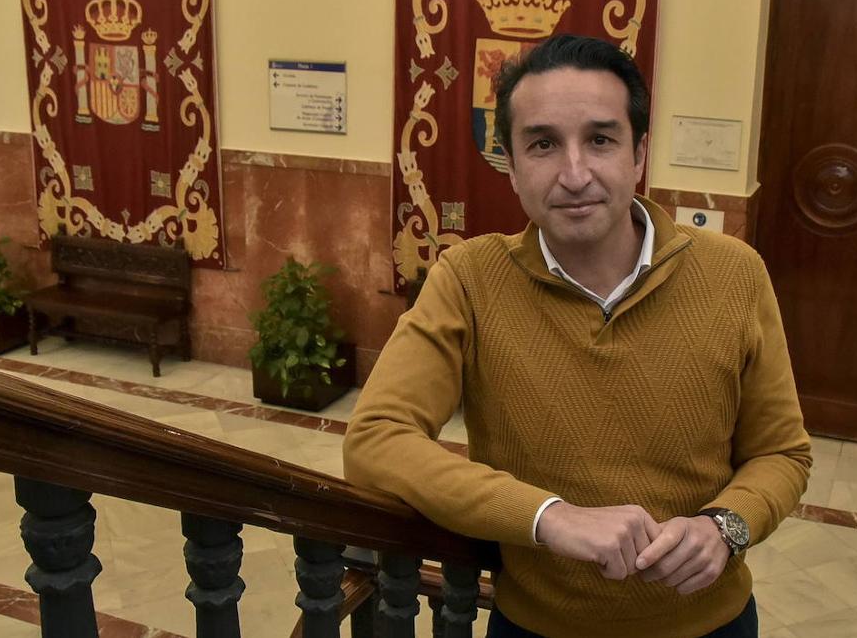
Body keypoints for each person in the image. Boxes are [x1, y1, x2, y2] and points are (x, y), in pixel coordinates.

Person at [343, 34, 811, 638]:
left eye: (600, 140)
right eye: (542, 144)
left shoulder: (735, 273)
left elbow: (781, 453)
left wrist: (727, 525)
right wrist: (549, 516)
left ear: (638, 155)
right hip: (536, 626)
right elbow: (376, 441)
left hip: (712, 624)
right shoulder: (469, 280)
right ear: (511, 168)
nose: (574, 173)